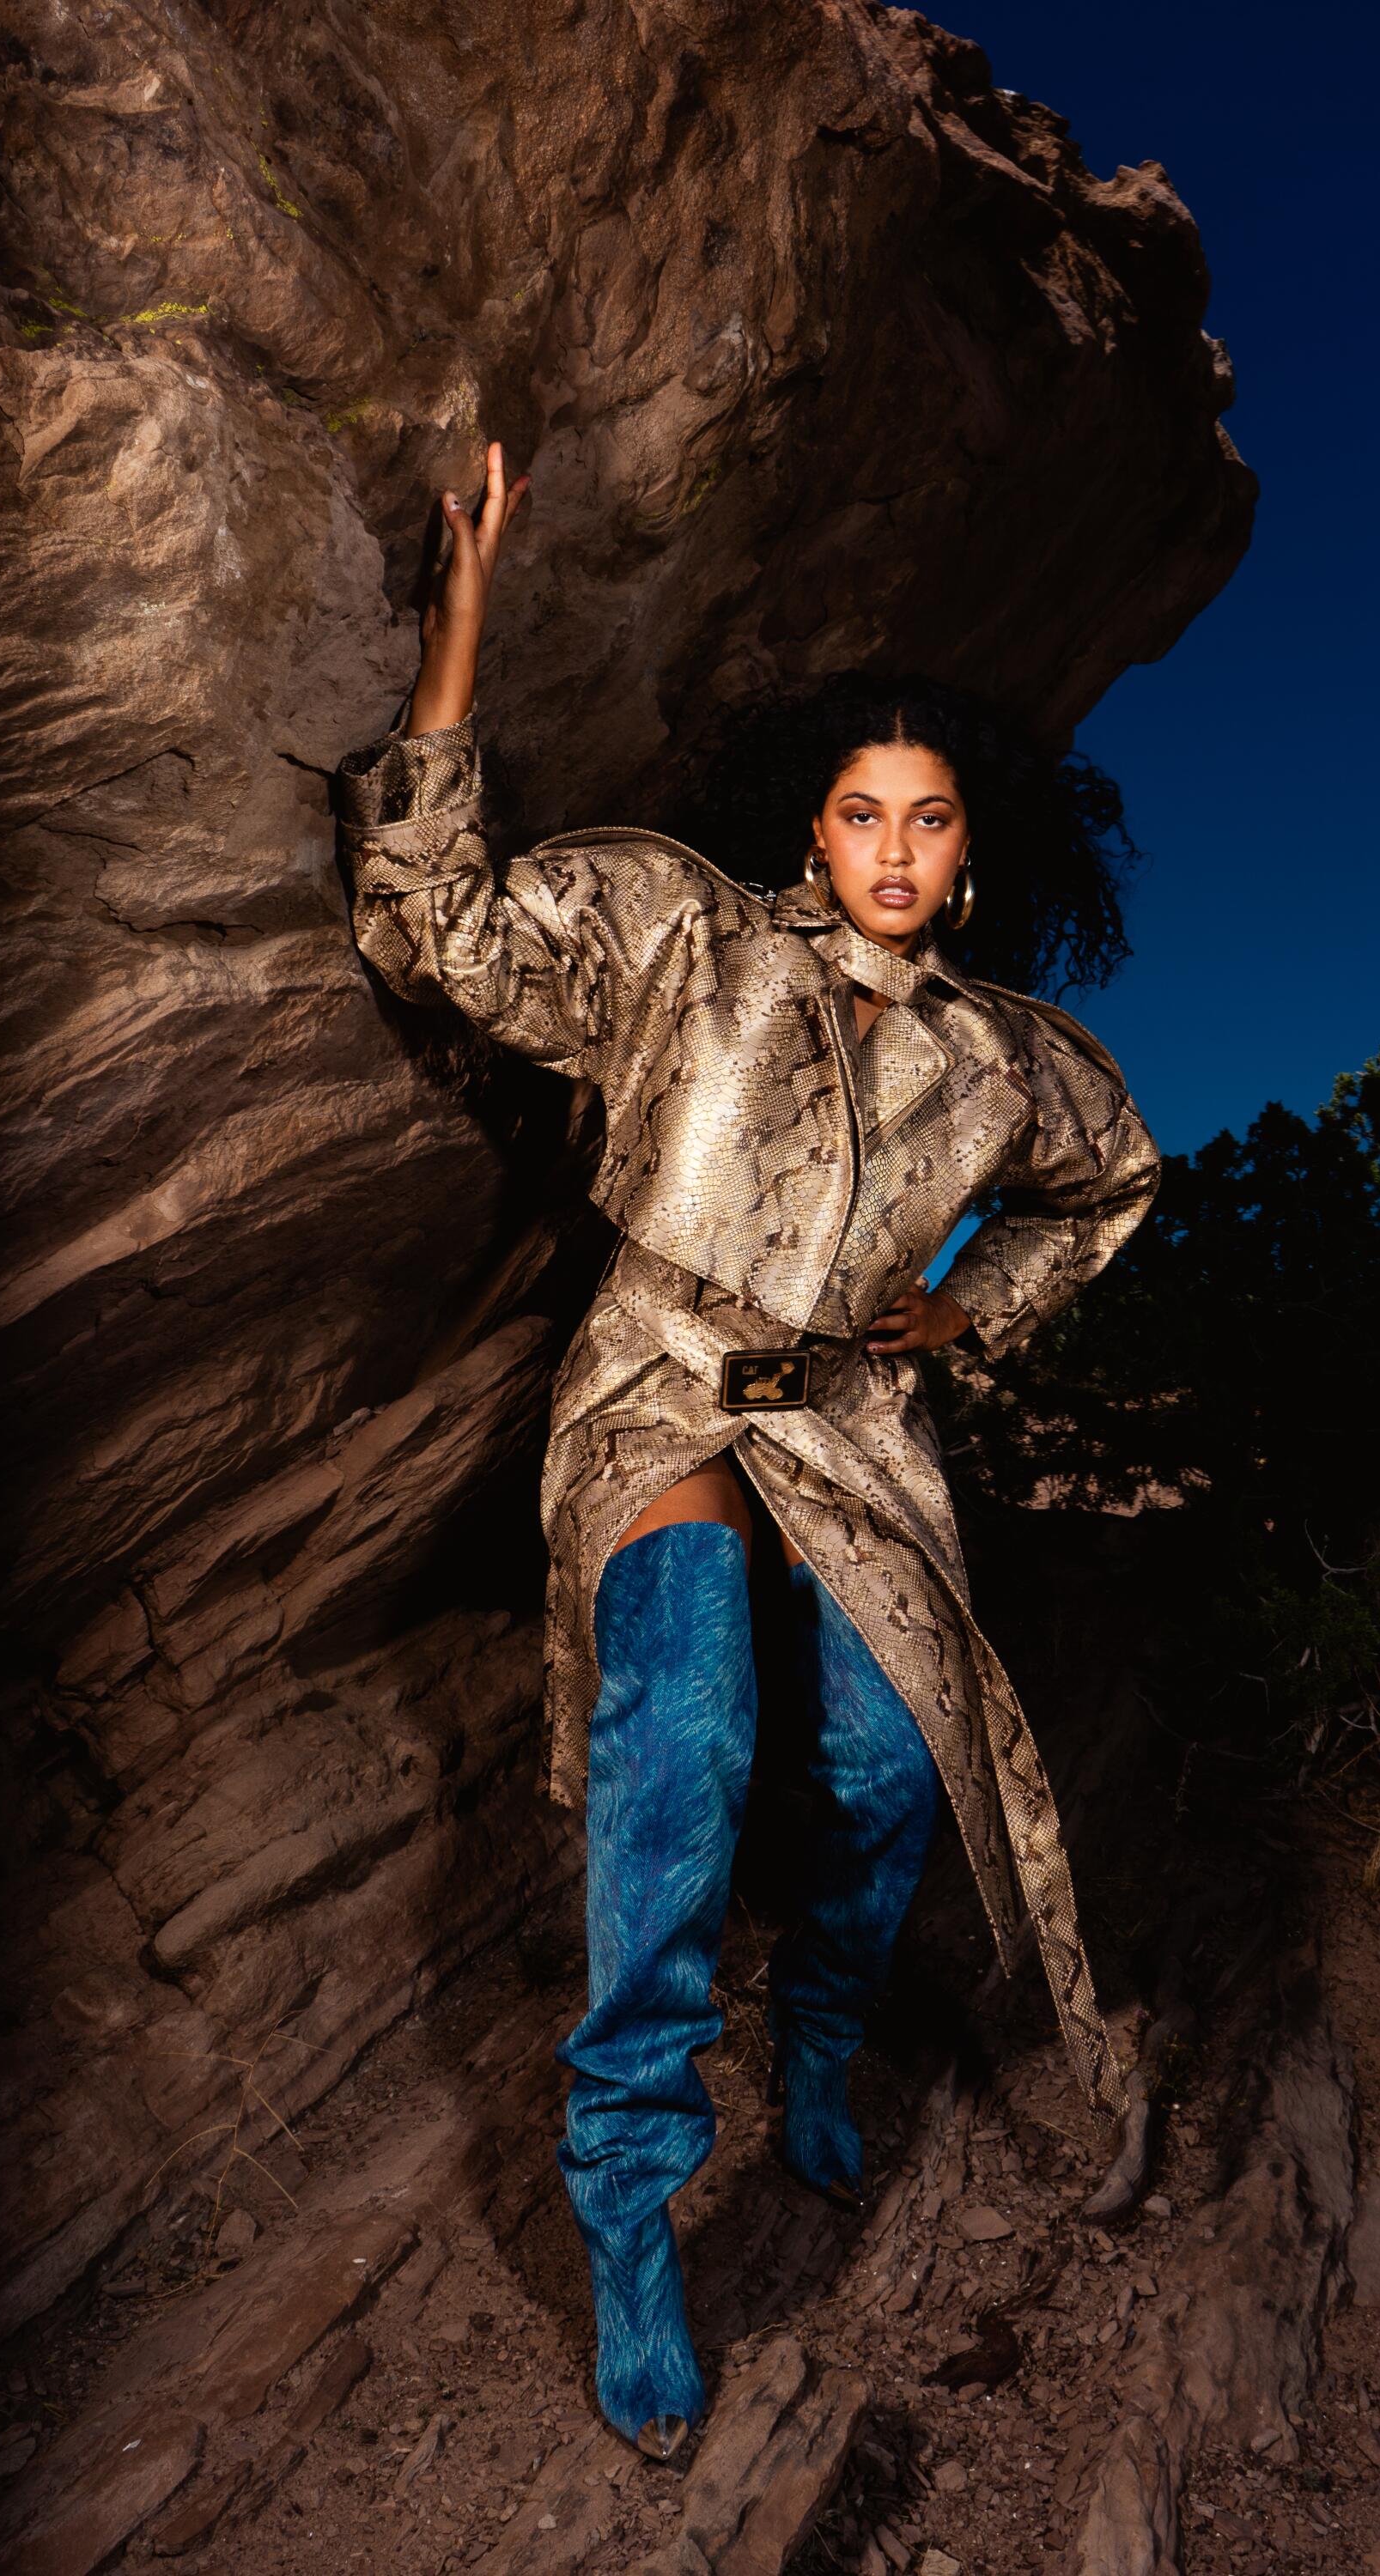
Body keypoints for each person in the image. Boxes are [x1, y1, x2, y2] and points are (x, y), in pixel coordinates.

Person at [336, 442, 1161, 2463]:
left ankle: (819, 2031)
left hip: (856, 1420)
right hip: (660, 1376)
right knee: (690, 1715)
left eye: (929, 821)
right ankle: (629, 2199)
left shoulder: (1002, 1062)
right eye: (861, 813)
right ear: (816, 823)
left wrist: (974, 1311)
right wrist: (458, 650)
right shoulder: (685, 935)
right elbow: (439, 926)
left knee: (891, 1766)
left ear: (970, 856)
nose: (892, 849)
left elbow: (1111, 1189)